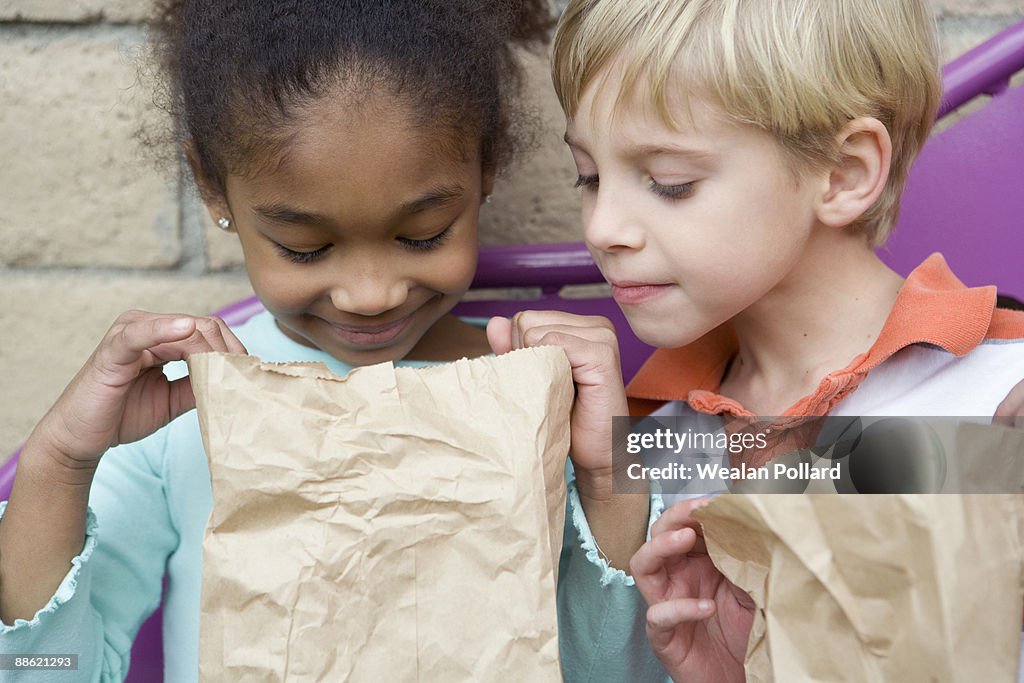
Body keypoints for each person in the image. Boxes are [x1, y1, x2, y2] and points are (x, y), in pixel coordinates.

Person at [0, 1, 663, 680]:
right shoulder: (178, 419)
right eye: (305, 248)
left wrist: (610, 475)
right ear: (209, 184)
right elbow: (48, 667)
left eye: (423, 233)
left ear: (485, 164)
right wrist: (59, 461)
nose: (369, 292)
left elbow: (623, 670)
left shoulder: (541, 400)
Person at [527, 0, 1024, 680]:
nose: (603, 225)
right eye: (588, 176)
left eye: (670, 183)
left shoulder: (1003, 395)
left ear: (845, 173)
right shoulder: (656, 444)